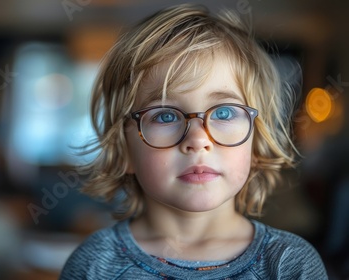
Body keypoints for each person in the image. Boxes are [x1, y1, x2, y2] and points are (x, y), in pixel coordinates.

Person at [60, 4, 328, 279]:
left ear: (256, 143)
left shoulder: (290, 264)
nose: (198, 139)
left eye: (224, 112)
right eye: (164, 116)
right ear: (124, 149)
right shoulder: (94, 265)